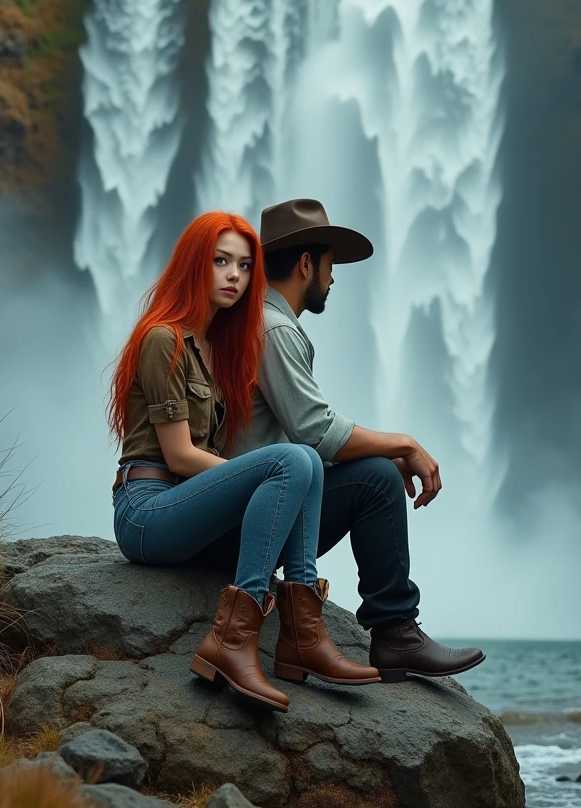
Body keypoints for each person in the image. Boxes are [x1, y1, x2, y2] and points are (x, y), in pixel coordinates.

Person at [108, 211, 379, 714]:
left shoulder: (220, 348)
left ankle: (302, 634)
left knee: (306, 464)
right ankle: (232, 642)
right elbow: (180, 456)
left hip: (183, 510)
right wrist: (258, 476)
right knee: (293, 460)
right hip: (145, 511)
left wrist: (269, 477)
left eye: (244, 265)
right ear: (194, 265)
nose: (234, 275)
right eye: (219, 262)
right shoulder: (163, 338)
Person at [231, 198, 486, 681]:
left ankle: (395, 633)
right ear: (306, 264)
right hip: (252, 520)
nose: (333, 279)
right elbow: (316, 431)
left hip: (253, 507)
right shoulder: (273, 327)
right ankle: (395, 635)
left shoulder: (256, 322)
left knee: (373, 473)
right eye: (329, 265)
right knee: (375, 479)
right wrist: (404, 444)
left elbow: (297, 442)